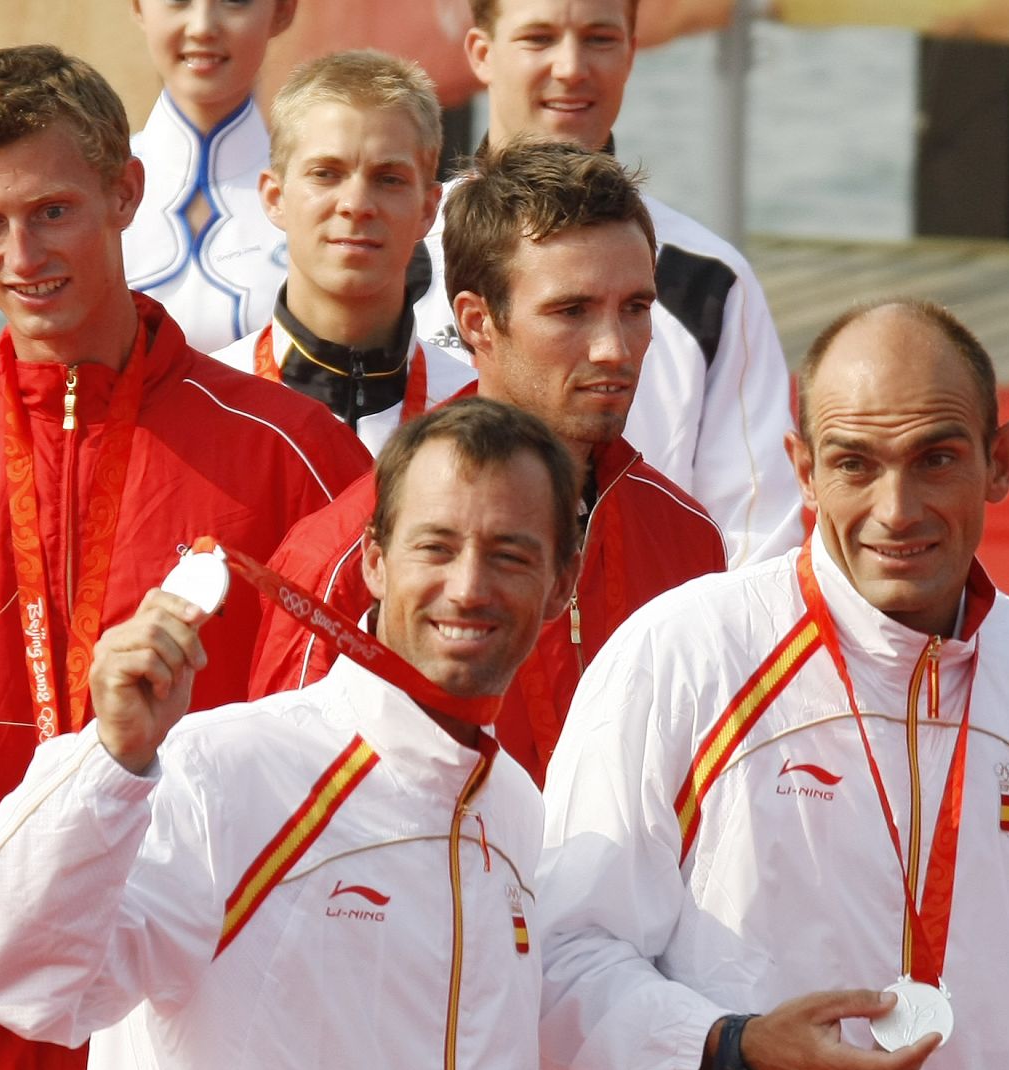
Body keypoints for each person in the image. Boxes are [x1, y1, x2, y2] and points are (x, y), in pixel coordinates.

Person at [0, 45, 369, 1070]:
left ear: (125, 191)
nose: (22, 254)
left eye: (54, 210)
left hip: (194, 1006)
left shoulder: (290, 451)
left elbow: (347, 744)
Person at [535, 298, 1009, 1070]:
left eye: (936, 459)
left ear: (1002, 461)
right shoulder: (682, 654)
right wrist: (733, 1044)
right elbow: (557, 977)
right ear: (803, 470)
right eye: (855, 464)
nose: (897, 509)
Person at [0, 398, 581, 1070]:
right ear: (372, 560)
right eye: (435, 546)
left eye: (510, 554)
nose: (467, 585)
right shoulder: (223, 771)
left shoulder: (516, 808)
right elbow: (8, 970)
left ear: (560, 583)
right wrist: (109, 761)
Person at [251, 140, 726, 788]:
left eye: (636, 308)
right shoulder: (342, 558)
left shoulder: (687, 537)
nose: (615, 348)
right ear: (477, 321)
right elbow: (284, 820)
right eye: (572, 310)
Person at [412, 0, 802, 568]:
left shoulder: (709, 280)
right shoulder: (404, 254)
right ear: (481, 51)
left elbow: (756, 543)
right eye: (539, 38)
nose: (571, 67)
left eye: (598, 38)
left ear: (630, 50)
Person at [211, 49, 475, 455]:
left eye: (388, 179)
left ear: (428, 209)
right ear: (275, 196)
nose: (356, 203)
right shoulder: (207, 403)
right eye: (326, 174)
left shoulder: (478, 412)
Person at [121, 0, 296, 352]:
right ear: (138, 7)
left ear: (282, 11)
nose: (202, 26)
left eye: (234, 1)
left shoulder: (320, 199)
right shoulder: (84, 189)